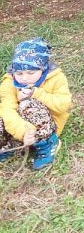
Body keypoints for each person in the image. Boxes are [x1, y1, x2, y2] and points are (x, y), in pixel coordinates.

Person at [0, 39, 72, 170]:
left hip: (48, 124)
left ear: (42, 69)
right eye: (19, 73)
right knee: (3, 112)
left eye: (30, 73)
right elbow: (7, 110)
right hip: (21, 129)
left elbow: (63, 105)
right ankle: (9, 146)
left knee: (27, 104)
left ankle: (47, 144)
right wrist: (23, 132)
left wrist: (37, 94)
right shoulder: (9, 83)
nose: (25, 78)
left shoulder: (56, 78)